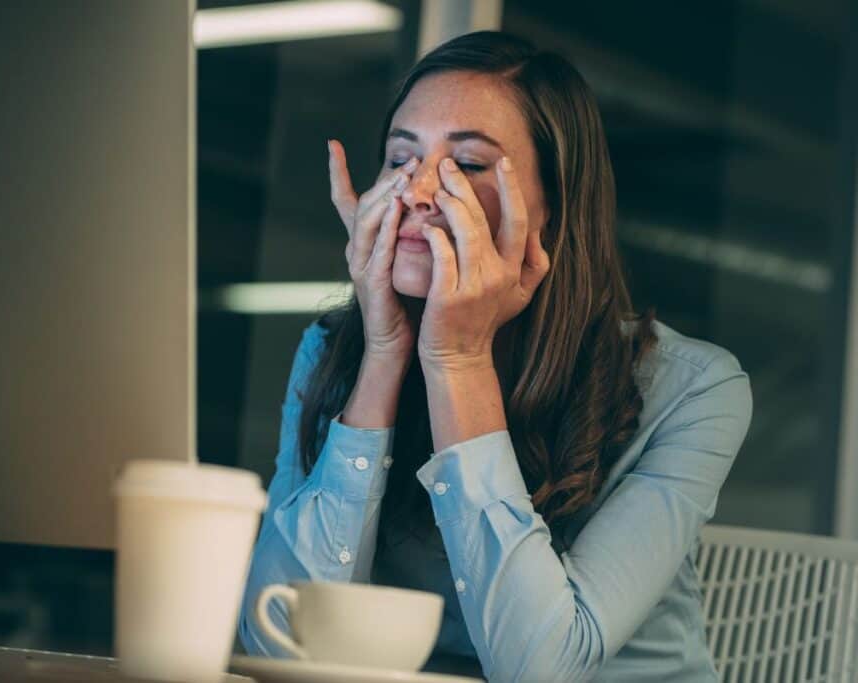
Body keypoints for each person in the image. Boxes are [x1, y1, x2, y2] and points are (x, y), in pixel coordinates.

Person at [238, 31, 752, 683]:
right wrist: (385, 353)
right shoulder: (330, 354)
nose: (417, 191)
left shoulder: (696, 389)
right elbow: (273, 643)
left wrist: (459, 360)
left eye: (468, 166)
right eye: (401, 158)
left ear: (554, 210)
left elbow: (542, 668)